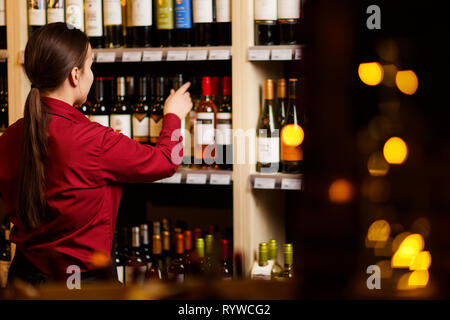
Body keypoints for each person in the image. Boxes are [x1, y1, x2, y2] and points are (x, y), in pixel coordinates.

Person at [0, 23, 192, 287]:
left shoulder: (9, 136)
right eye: (91, 65)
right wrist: (173, 117)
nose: (92, 74)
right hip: (80, 281)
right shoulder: (94, 140)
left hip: (23, 277)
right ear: (75, 75)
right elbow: (165, 161)